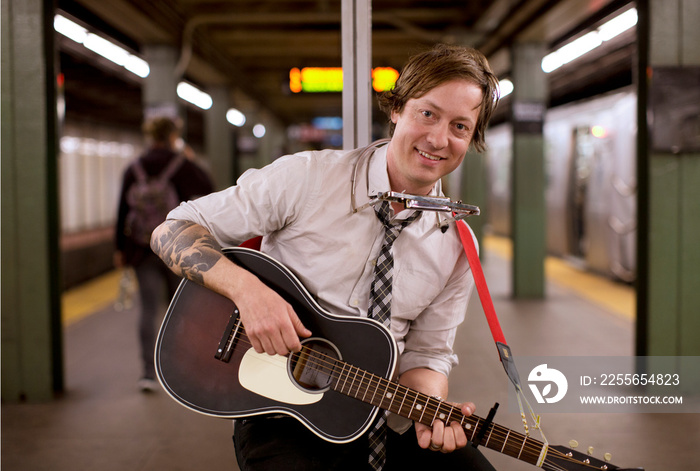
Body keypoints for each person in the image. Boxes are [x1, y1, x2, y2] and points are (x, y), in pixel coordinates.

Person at [151, 44, 499, 470]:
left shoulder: (458, 244)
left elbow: (426, 355)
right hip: (279, 407)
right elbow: (173, 229)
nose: (438, 139)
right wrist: (249, 293)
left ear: (472, 139)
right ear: (397, 110)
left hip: (376, 411)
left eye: (460, 126)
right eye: (427, 114)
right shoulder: (309, 177)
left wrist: (428, 411)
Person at [115, 116, 214, 392]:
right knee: (180, 309)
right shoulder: (181, 165)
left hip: (141, 248)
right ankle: (181, 369)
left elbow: (122, 211)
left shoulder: (134, 168)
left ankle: (148, 373)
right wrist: (191, 160)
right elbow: (209, 187)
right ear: (173, 136)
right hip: (177, 248)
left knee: (147, 310)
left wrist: (119, 249)